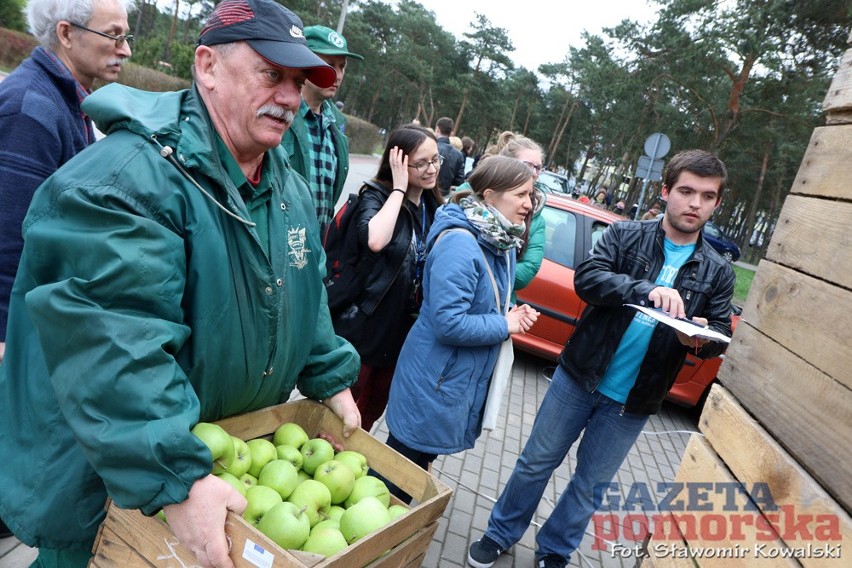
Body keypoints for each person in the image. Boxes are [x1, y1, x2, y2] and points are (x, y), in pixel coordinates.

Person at [0, 1, 361, 566]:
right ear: (207, 66)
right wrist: (179, 476)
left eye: (298, 81)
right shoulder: (127, 181)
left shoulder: (281, 183)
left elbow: (302, 284)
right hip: (119, 486)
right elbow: (114, 340)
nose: (290, 97)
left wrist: (328, 372)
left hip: (213, 469)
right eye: (272, 74)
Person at [467, 149, 735, 568]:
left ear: (717, 203)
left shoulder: (719, 271)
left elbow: (718, 333)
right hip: (578, 377)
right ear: (666, 192)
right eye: (685, 191)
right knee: (536, 462)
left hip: (635, 400)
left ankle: (554, 550)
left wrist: (703, 337)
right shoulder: (625, 234)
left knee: (592, 484)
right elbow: (588, 279)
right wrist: (643, 290)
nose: (694, 203)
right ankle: (500, 533)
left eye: (706, 195)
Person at [383, 156, 540, 497]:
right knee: (395, 475)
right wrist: (504, 323)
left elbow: (483, 300)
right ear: (489, 195)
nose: (529, 204)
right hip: (431, 383)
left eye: (532, 195)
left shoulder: (501, 240)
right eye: (522, 195)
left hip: (448, 382)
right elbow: (448, 323)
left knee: (415, 468)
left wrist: (508, 311)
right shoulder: (461, 243)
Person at [0, 0, 133, 366]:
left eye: (126, 36)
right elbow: (8, 237)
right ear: (66, 34)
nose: (126, 50)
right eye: (113, 36)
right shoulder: (32, 109)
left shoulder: (69, 102)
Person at [332, 124, 444, 432]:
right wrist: (398, 188)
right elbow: (376, 240)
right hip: (365, 328)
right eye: (421, 163)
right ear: (398, 162)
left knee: (371, 410)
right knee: (342, 413)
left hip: (402, 330)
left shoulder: (435, 207)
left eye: (436, 159)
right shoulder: (377, 197)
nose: (432, 168)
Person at [281, 25, 363, 234]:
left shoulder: (336, 124)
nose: (337, 74)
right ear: (304, 62)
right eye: (328, 64)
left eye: (342, 66)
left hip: (318, 246)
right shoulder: (279, 114)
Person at [434, 116, 465, 195]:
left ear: (437, 129)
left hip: (425, 192)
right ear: (451, 132)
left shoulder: (430, 147)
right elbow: (459, 181)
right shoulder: (458, 155)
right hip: (444, 195)